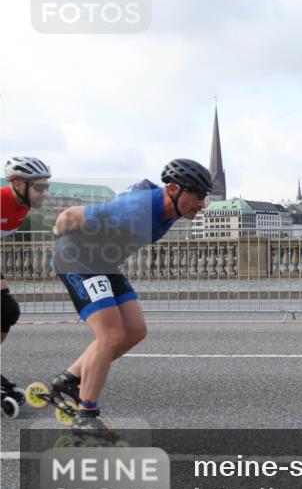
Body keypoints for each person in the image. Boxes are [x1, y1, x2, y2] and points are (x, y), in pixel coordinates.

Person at [50, 158, 210, 435]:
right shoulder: (135, 208)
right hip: (77, 259)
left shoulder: (172, 211)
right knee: (111, 335)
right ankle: (86, 416)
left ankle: (69, 379)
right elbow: (69, 217)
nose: (202, 204)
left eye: (204, 196)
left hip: (104, 263)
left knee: (135, 330)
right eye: (197, 196)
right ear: (173, 189)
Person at [1, 157, 52, 417]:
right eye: (40, 187)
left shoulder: (23, 207)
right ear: (18, 183)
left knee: (7, 312)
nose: (45, 192)